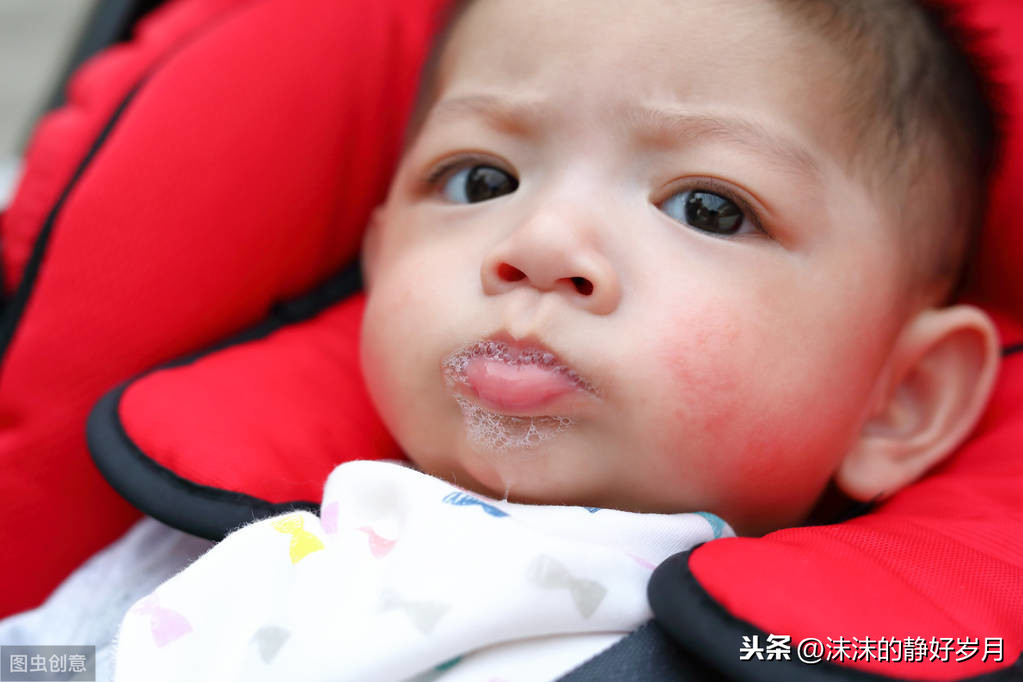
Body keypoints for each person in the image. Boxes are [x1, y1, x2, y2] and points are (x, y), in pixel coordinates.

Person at [44, 0, 1016, 679]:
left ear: (902, 396)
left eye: (709, 208)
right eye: (480, 180)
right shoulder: (209, 550)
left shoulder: (806, 657)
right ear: (381, 261)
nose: (539, 246)